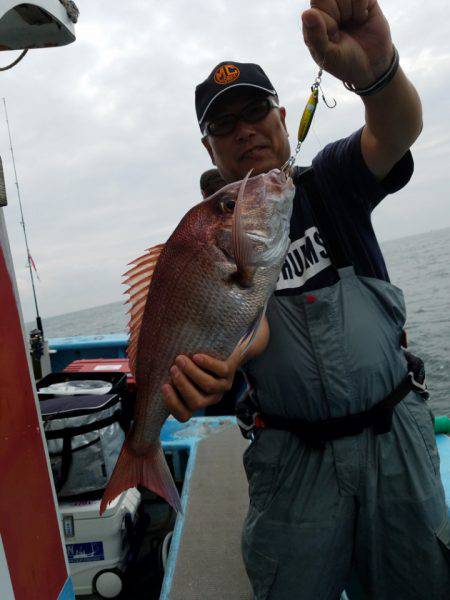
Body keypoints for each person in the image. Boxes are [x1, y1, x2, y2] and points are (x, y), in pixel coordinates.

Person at [161, 1, 450, 598]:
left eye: (255, 111)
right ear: (210, 151)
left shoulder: (331, 183)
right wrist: (219, 367)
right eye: (223, 126)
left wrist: (376, 72)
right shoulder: (211, 241)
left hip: (394, 441)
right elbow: (251, 325)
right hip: (290, 459)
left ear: (282, 116)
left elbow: (396, 127)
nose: (244, 130)